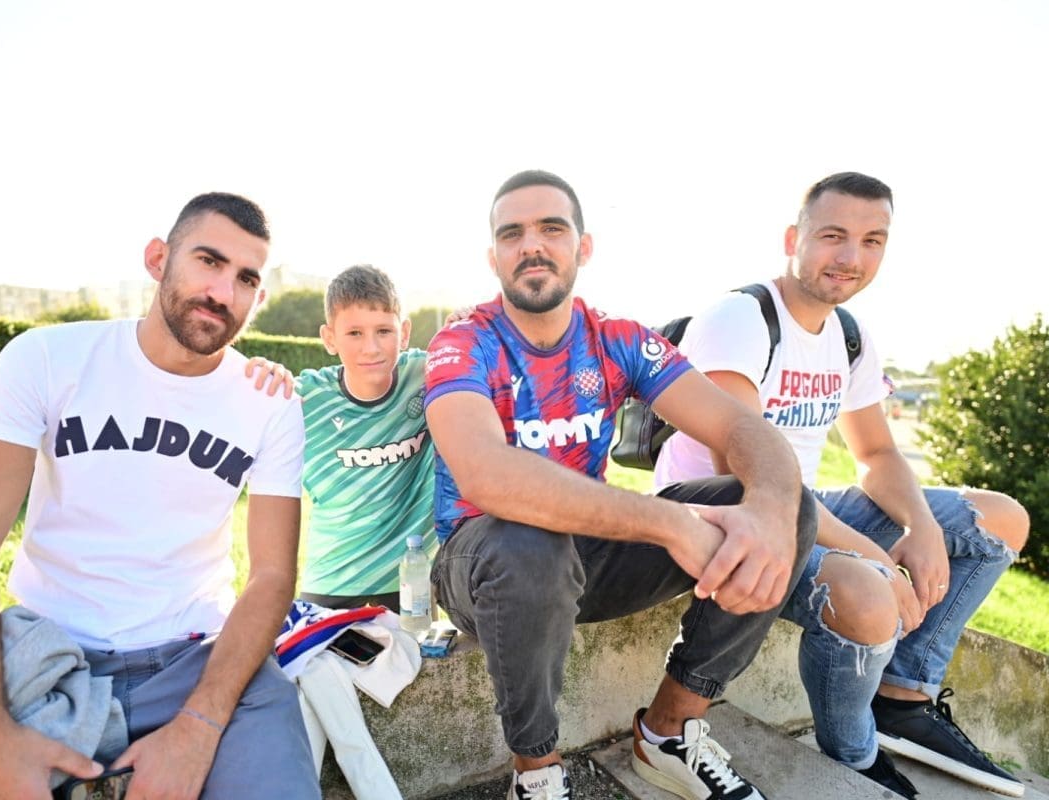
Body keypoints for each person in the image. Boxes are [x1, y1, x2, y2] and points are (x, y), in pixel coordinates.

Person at [424, 169, 818, 800]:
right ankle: (536, 771)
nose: (532, 245)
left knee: (788, 507)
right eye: (512, 233)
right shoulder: (463, 341)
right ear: (493, 256)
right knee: (529, 543)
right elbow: (486, 475)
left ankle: (668, 732)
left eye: (552, 229)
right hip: (482, 563)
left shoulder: (617, 339)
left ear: (582, 247)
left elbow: (741, 426)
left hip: (587, 555)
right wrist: (670, 523)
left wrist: (770, 507)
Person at [0, 192, 320, 798]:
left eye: (245, 278)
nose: (222, 291)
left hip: (198, 661)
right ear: (158, 258)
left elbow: (271, 576)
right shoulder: (47, 358)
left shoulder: (269, 404)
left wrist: (201, 723)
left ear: (258, 299)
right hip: (50, 659)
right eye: (208, 261)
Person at [654, 172, 1029, 798]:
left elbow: (875, 452)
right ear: (792, 240)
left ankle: (903, 699)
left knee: (1000, 521)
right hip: (726, 515)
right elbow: (750, 479)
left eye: (872, 240)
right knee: (869, 594)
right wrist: (875, 555)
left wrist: (920, 526)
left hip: (806, 505)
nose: (852, 257)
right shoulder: (741, 319)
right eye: (833, 235)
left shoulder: (849, 335)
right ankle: (854, 755)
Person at [295, 264, 436, 611]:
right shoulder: (304, 398)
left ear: (404, 333)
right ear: (330, 338)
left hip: (410, 580)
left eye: (384, 331)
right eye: (354, 333)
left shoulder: (428, 374)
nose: (371, 348)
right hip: (332, 581)